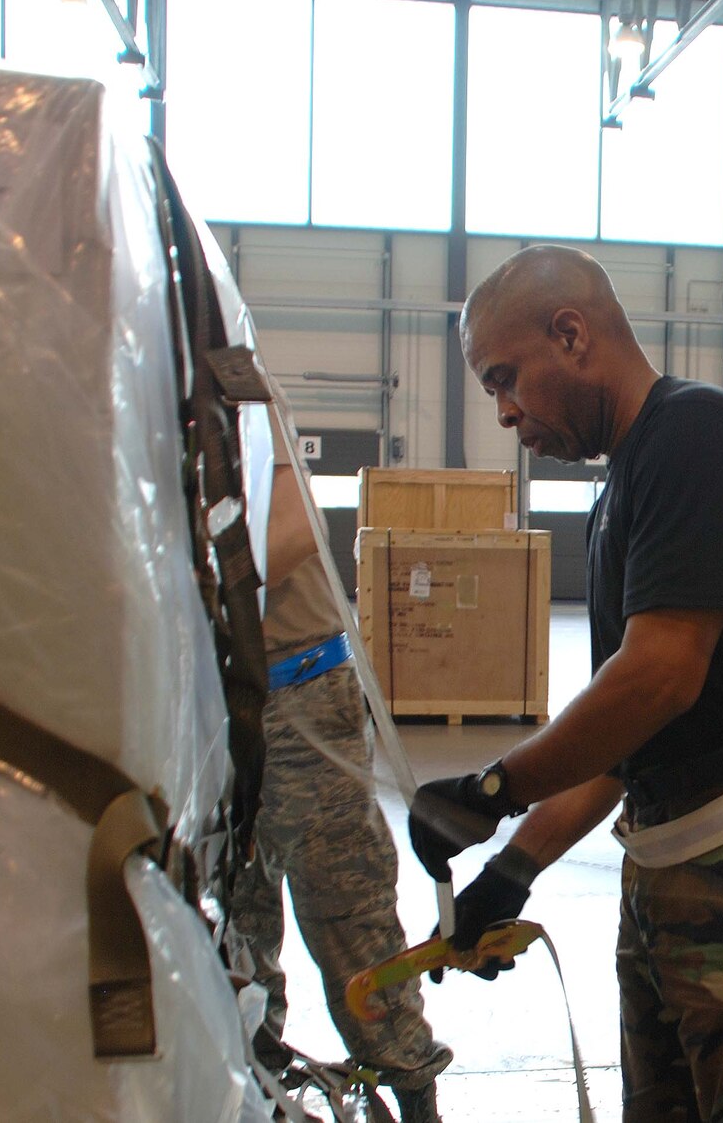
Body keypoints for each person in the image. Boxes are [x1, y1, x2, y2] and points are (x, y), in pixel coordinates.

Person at [406, 245, 723, 1122]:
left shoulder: (694, 435)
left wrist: (496, 787)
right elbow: (631, 733)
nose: (503, 412)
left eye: (504, 378)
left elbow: (660, 677)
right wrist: (513, 869)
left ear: (571, 334)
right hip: (683, 886)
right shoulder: (628, 483)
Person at [230, 413, 451, 1122]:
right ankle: (253, 1071)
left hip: (296, 693)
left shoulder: (232, 384)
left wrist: (187, 580)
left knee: (344, 906)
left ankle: (410, 1084)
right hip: (205, 695)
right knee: (235, 912)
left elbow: (295, 532)